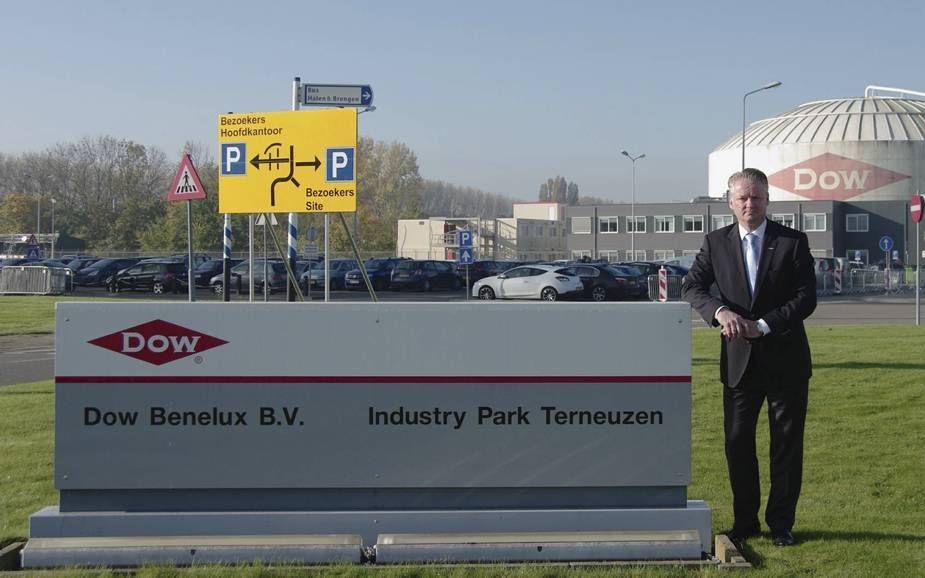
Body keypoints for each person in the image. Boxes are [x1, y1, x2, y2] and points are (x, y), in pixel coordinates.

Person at [681, 168, 816, 547]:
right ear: (730, 201)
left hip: (786, 362)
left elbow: (806, 298)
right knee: (738, 442)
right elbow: (692, 287)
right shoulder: (715, 242)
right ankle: (745, 523)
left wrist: (765, 325)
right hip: (738, 364)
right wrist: (719, 313)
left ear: (768, 199)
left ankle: (781, 524)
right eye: (742, 198)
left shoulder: (792, 242)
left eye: (756, 197)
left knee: (786, 446)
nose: (749, 204)